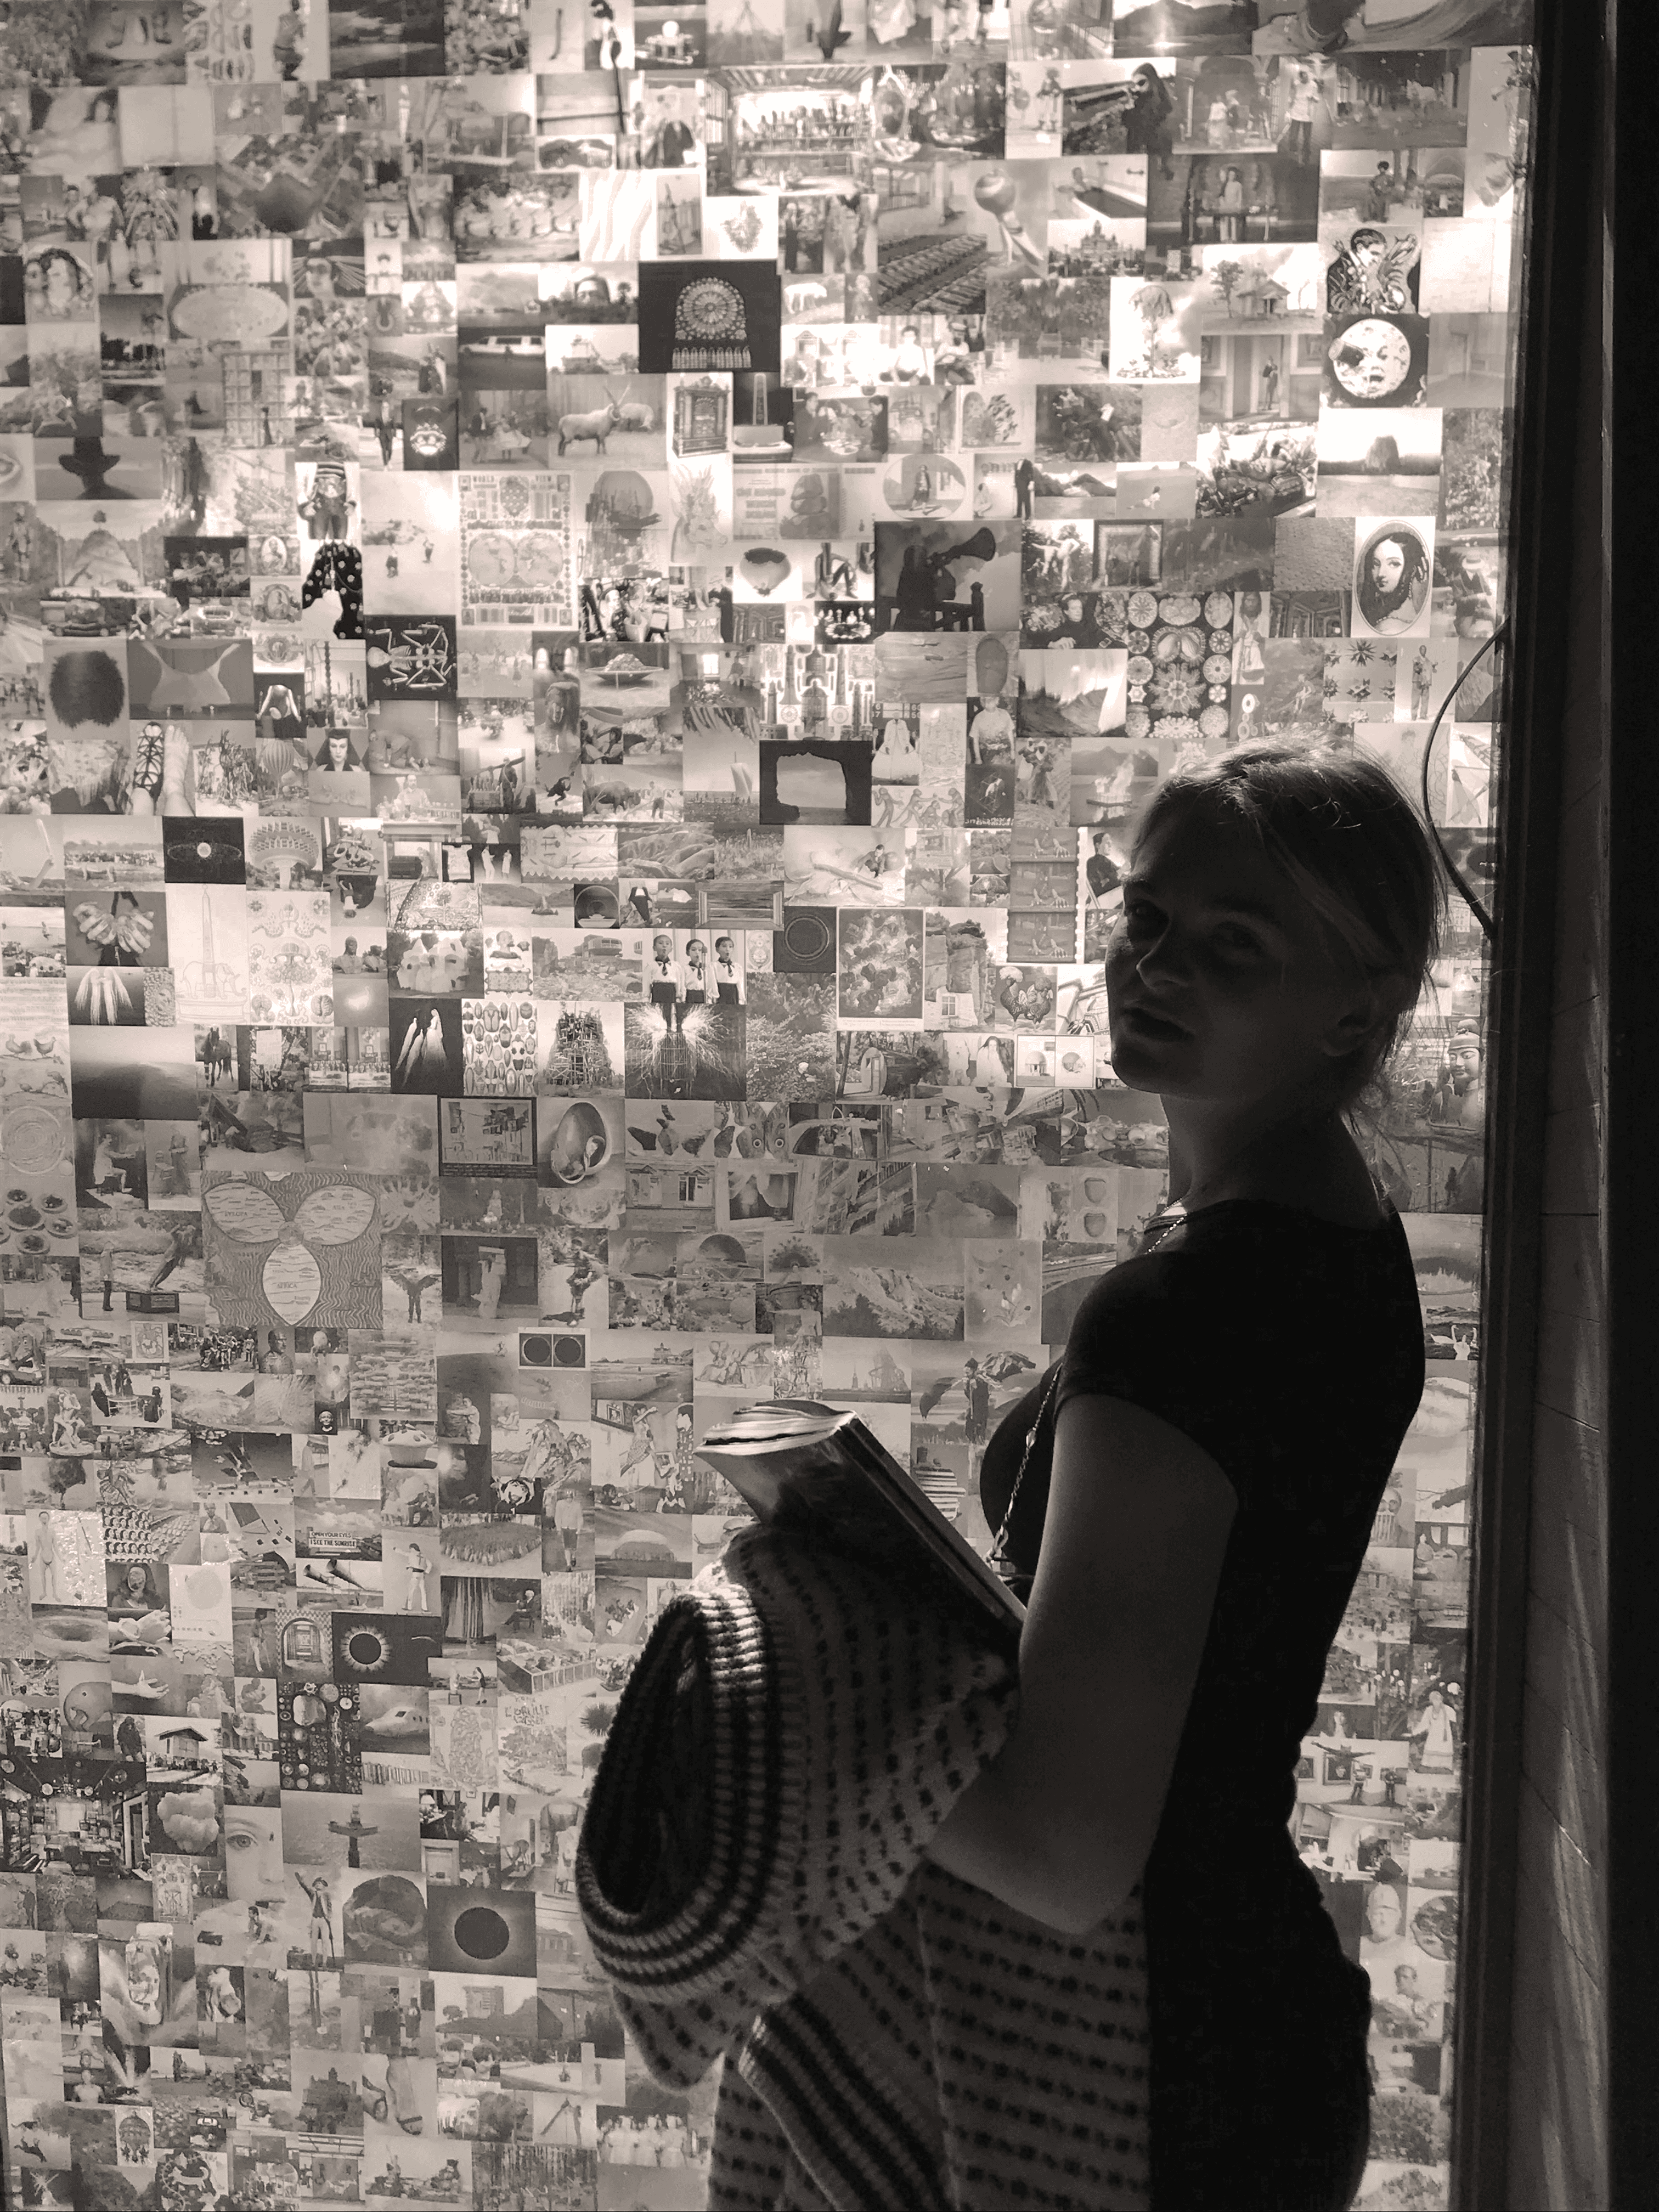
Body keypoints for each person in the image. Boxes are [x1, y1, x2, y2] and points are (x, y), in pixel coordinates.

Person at [969, 738, 1441, 2209]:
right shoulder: (1340, 1231)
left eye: (1234, 942)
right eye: (1147, 918)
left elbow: (1060, 1852)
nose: (1156, 966)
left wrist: (818, 1717)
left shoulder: (1189, 1314)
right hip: (1239, 2038)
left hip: (1149, 2076)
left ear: (1351, 1010)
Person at [1355, 529, 1429, 636]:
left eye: (1394, 564)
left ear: (1412, 570)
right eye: (1376, 564)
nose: (1381, 574)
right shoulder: (1389, 622)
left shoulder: (1388, 627)